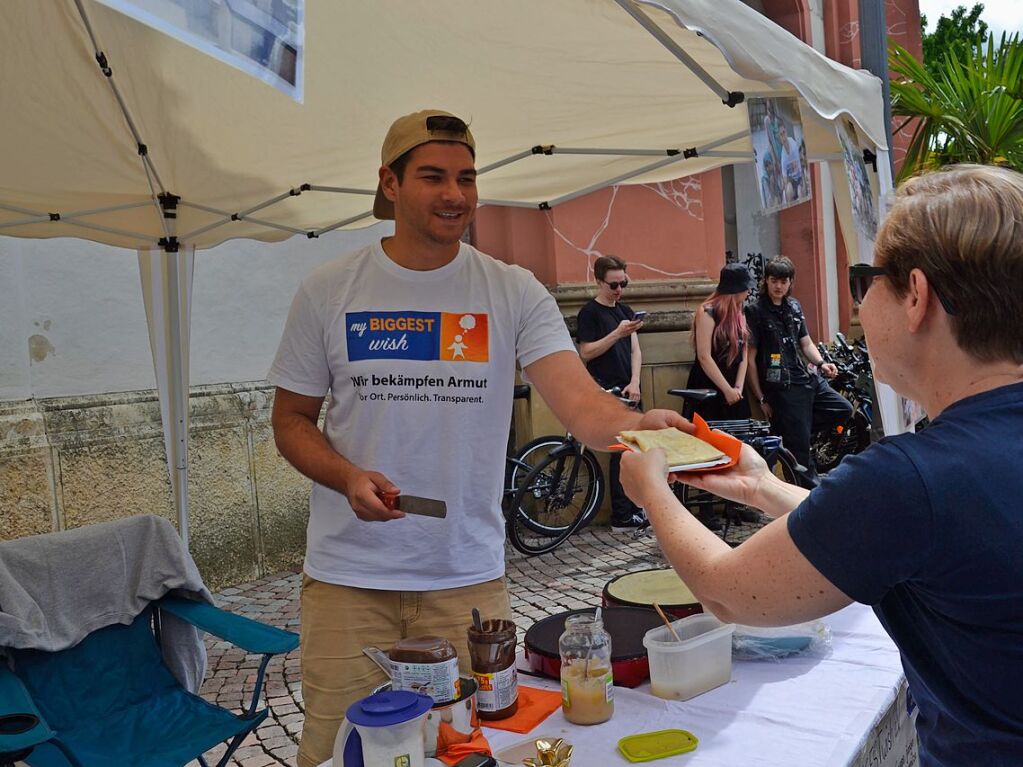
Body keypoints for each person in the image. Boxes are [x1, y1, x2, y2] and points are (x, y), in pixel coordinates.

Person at [268, 108, 688, 767]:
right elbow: (289, 420)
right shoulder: (329, 291)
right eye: (433, 176)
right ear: (390, 182)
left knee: (471, 752)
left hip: (465, 583)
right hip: (350, 580)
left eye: (465, 177)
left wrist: (638, 425)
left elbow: (580, 403)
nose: (454, 195)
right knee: (340, 755)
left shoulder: (511, 290)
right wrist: (346, 475)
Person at [621, 165, 1023, 766]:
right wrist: (761, 486)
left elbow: (732, 595)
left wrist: (653, 491)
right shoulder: (937, 475)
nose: (862, 300)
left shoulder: (910, 477)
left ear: (916, 296)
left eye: (868, 280)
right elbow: (888, 538)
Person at [744, 256, 852, 476]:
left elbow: (806, 342)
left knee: (843, 409)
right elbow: (750, 358)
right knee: (801, 452)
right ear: (766, 281)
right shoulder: (755, 311)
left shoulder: (794, 306)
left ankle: (792, 432)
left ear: (790, 282)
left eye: (783, 282)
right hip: (782, 387)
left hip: (807, 378)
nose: (778, 286)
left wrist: (822, 363)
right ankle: (806, 495)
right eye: (774, 280)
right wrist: (761, 397)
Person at [576, 255, 646, 530]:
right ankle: (621, 515)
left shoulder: (625, 309)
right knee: (620, 453)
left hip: (630, 389)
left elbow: (635, 350)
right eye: (613, 285)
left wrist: (636, 381)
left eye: (623, 284)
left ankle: (633, 509)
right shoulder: (590, 313)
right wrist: (616, 334)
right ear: (598, 282)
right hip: (606, 389)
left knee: (636, 452)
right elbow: (586, 352)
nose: (619, 290)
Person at [686, 263, 754, 422]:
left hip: (734, 383)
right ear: (735, 289)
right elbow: (704, 356)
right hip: (710, 383)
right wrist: (726, 390)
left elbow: (743, 353)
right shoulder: (708, 312)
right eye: (746, 288)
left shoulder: (741, 311)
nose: (748, 292)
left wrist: (738, 387)